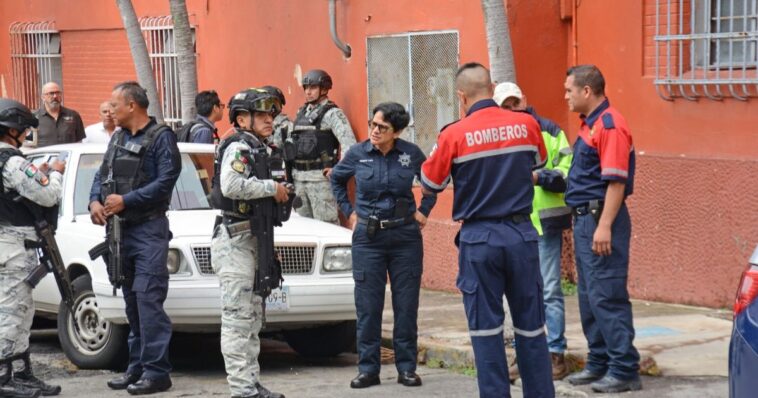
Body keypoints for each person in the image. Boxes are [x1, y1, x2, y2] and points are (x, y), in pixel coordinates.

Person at [420, 62, 554, 398]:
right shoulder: (527, 125)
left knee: (486, 330)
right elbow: (539, 164)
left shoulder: (453, 134)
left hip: (480, 240)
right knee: (532, 328)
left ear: (461, 96)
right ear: (493, 87)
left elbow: (430, 181)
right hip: (522, 236)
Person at [331, 102, 436, 389]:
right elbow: (337, 180)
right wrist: (349, 211)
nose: (375, 131)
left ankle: (406, 368)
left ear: (397, 131)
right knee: (368, 306)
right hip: (369, 238)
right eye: (373, 124)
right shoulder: (357, 154)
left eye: (382, 128)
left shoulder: (411, 154)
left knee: (406, 305)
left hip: (405, 238)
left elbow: (433, 180)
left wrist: (424, 209)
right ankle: (368, 369)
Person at [89, 81, 181, 395]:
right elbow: (101, 175)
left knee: (147, 300)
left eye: (114, 105)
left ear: (132, 106)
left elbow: (166, 182)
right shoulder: (117, 138)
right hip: (119, 232)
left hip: (148, 231)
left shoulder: (161, 137)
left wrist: (128, 201)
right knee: (131, 301)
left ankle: (157, 373)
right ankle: (137, 368)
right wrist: (94, 202)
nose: (109, 110)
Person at [562, 65, 641, 393]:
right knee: (589, 296)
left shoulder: (609, 125)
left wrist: (604, 225)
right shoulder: (590, 126)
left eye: (569, 90)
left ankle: (623, 369)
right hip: (586, 220)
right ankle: (600, 361)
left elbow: (615, 182)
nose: (565, 96)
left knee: (607, 295)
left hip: (600, 220)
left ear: (587, 91)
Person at [210, 88, 288, 398]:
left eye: (272, 114)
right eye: (262, 115)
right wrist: (272, 188)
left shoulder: (260, 148)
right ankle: (241, 390)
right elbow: (230, 185)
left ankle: (251, 383)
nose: (270, 119)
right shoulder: (238, 147)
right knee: (237, 320)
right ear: (243, 119)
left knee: (253, 318)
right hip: (235, 240)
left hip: (255, 238)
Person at [494, 82, 572, 381]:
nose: (511, 109)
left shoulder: (549, 131)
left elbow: (568, 172)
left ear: (524, 100)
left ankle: (555, 355)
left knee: (549, 290)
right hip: (512, 224)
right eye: (505, 105)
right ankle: (524, 355)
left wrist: (539, 177)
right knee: (519, 293)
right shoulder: (497, 137)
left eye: (515, 103)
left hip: (544, 223)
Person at [0, 98, 65, 398]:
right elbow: (49, 194)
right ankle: (5, 379)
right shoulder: (12, 162)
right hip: (14, 248)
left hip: (8, 245)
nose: (26, 133)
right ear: (12, 129)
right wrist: (56, 171)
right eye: (24, 128)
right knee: (13, 313)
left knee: (20, 312)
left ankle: (22, 373)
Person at [289, 69, 356, 224]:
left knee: (326, 226)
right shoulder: (301, 112)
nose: (308, 92)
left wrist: (338, 170)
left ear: (324, 89)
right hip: (299, 180)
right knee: (302, 228)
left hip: (321, 181)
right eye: (306, 88)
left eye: (312, 87)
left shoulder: (333, 114)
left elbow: (349, 144)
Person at [34, 82, 85, 147]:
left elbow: (79, 141)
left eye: (58, 93)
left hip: (68, 156)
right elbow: (29, 145)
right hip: (45, 156)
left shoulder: (73, 115)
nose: (55, 96)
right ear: (43, 97)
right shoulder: (34, 118)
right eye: (51, 93)